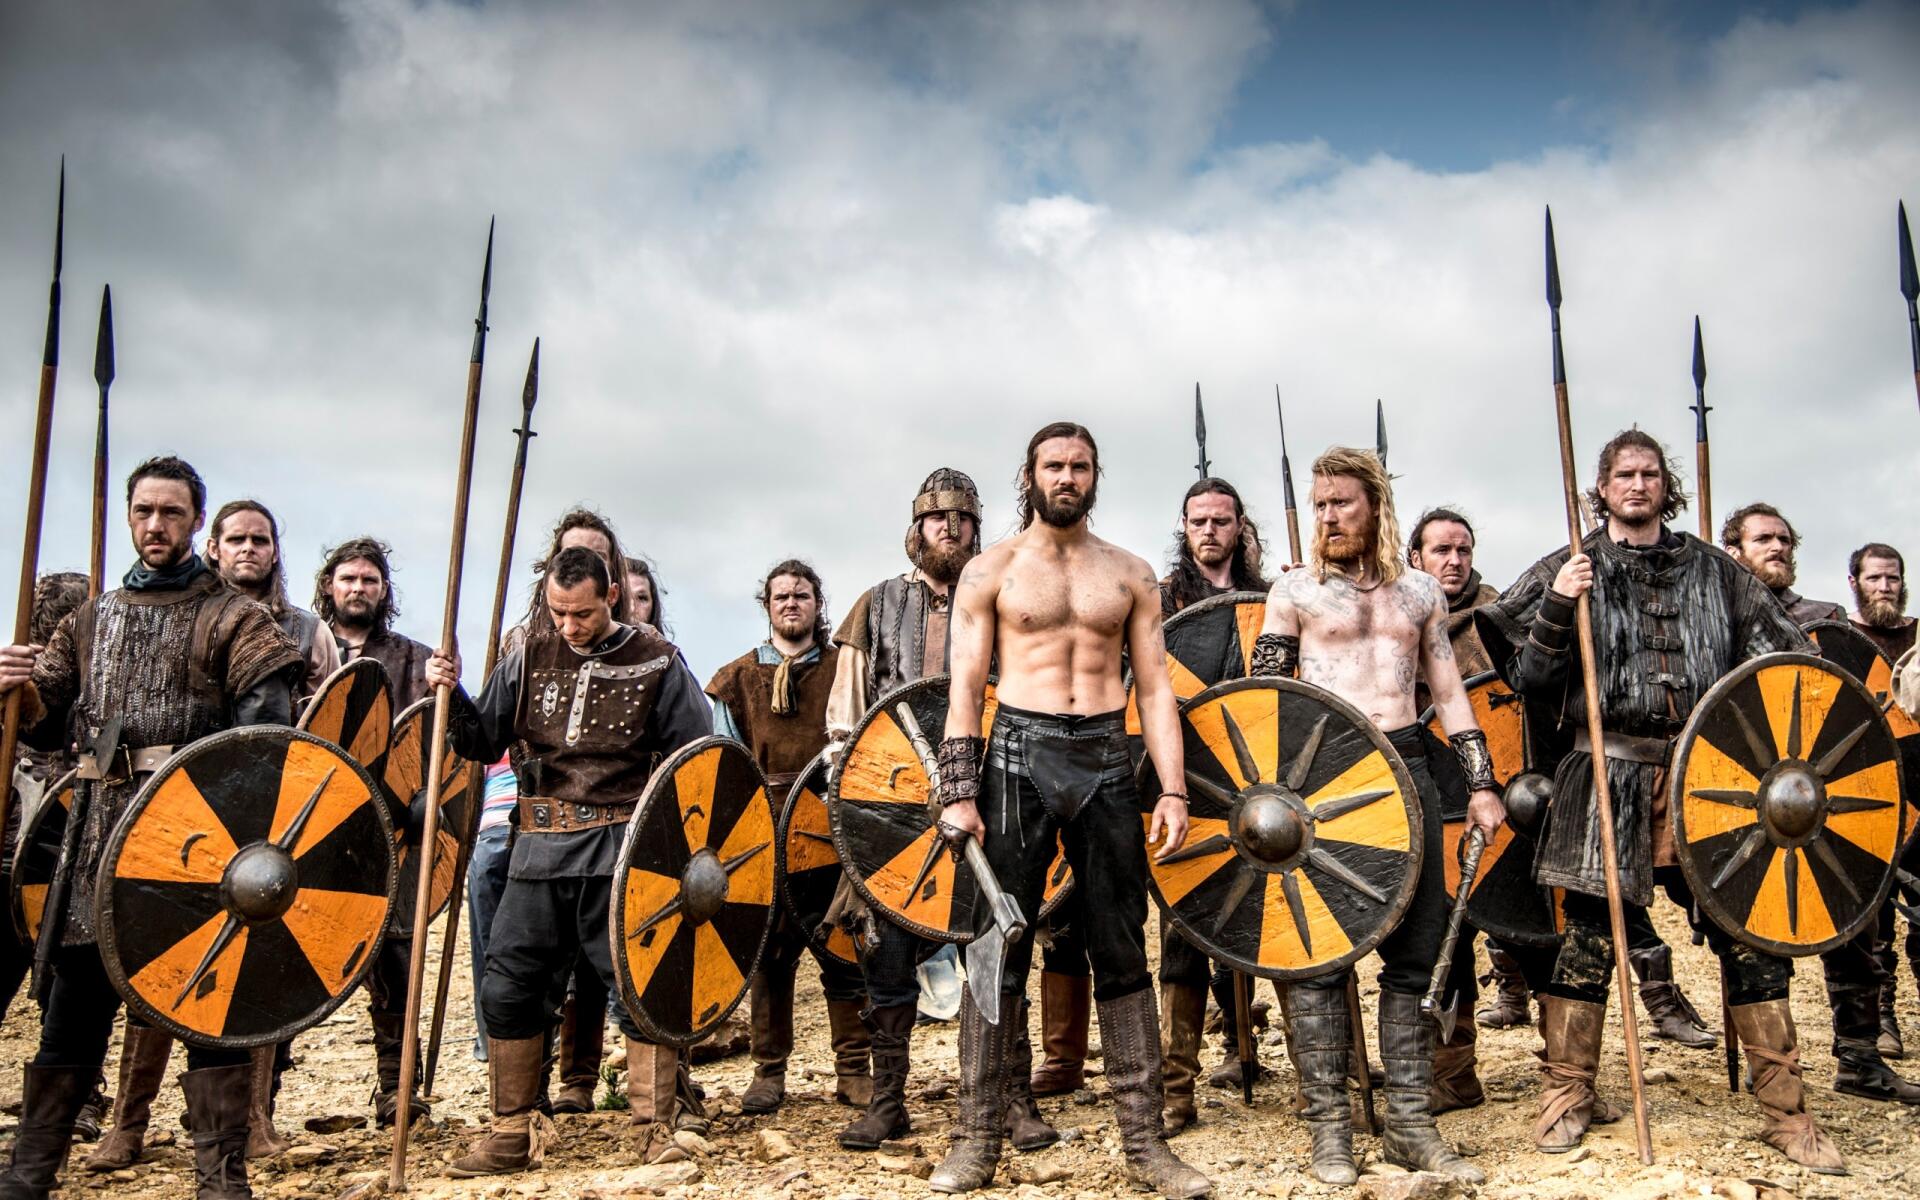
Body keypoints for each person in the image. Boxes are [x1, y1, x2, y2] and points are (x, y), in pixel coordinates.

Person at [1476, 429, 1843, 1172]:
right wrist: (1559, 603)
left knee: (1745, 931)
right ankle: (1567, 1091)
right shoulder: (1567, 565)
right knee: (1587, 936)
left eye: (1649, 473)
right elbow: (1528, 680)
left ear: (1664, 485)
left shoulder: (1719, 571)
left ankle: (1786, 1110)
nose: (1638, 484)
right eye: (1624, 475)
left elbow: (1787, 663)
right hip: (1605, 772)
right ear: (1603, 488)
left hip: (1706, 778)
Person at [0, 456, 303, 1200]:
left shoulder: (237, 619)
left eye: (171, 512)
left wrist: (220, 824)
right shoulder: (90, 619)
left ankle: (221, 1179)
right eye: (144, 511)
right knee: (74, 1013)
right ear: (129, 517)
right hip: (97, 841)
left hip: (199, 849)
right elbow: (43, 725)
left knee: (210, 1016)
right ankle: (30, 1173)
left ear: (197, 521)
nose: (156, 525)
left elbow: (264, 746)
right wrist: (17, 688)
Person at [932, 423, 1208, 1198]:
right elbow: (965, 688)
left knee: (1120, 944)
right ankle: (976, 1139)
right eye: (1053, 465)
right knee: (997, 945)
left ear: (1095, 476)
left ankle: (1146, 1145)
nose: (1067, 477)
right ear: (1031, 475)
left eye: (1079, 466)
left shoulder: (1129, 573)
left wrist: (1174, 789)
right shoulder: (990, 571)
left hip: (1106, 759)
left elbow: (1155, 689)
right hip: (1017, 756)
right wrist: (959, 791)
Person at [1251, 452, 1496, 1186]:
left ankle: (1411, 1126)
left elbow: (1447, 693)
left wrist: (1482, 783)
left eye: (1342, 504)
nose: (1328, 517)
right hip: (1322, 780)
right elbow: (1264, 697)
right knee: (1322, 954)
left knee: (1418, 948)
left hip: (1409, 766)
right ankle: (1331, 1130)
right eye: (1320, 504)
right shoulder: (1293, 590)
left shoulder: (1420, 592)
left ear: (1376, 505)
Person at [429, 546, 713, 1173]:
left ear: (611, 596)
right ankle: (512, 1131)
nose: (569, 626)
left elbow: (696, 763)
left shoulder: (658, 661)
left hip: (621, 853)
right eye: (558, 613)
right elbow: (482, 740)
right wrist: (452, 693)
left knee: (640, 986)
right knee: (509, 984)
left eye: (581, 613)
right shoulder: (529, 656)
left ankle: (653, 1128)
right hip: (538, 849)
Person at [822, 469, 1056, 1154]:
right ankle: (888, 1101)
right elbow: (848, 714)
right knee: (885, 945)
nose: (949, 530)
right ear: (916, 528)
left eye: (962, 519)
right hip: (890, 800)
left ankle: (1010, 1098)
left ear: (977, 529)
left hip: (992, 786)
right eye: (936, 519)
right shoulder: (876, 604)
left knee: (996, 938)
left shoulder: (1008, 595)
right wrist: (851, 786)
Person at [1720, 504, 1920, 1104]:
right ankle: (1771, 1064)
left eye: (1785, 539)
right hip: (1746, 797)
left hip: (1825, 793)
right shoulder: (1717, 621)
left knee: (1854, 926)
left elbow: (1861, 713)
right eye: (1763, 539)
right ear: (1734, 550)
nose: (1778, 547)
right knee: (1758, 935)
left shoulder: (1826, 621)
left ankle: (1860, 1060)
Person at [707, 560, 870, 1115]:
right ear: (767, 606)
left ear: (818, 604)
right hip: (765, 835)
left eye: (801, 595)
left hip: (833, 832)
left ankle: (854, 1070)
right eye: (781, 597)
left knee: (844, 950)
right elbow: (726, 768)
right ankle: (768, 1073)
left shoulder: (844, 670)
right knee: (770, 959)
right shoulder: (736, 679)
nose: (791, 604)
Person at [1152, 478, 1270, 1131]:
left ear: (1239, 526)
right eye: (1198, 520)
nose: (1209, 530)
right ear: (1184, 524)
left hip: (1271, 785)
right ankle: (1176, 1088)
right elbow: (1146, 694)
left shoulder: (1270, 600)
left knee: (1280, 924)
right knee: (1184, 931)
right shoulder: (1162, 602)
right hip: (1189, 786)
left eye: (1221, 520)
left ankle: (1318, 1077)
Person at [314, 536, 434, 1126]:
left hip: (388, 833)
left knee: (395, 959)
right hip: (311, 830)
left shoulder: (414, 659)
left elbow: (433, 745)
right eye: (348, 579)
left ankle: (398, 1088)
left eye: (369, 580)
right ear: (329, 586)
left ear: (384, 590)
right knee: (285, 950)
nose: (358, 588)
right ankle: (259, 1103)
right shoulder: (302, 649)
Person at [207, 499, 340, 701]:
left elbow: (331, 712)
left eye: (259, 540)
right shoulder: (189, 622)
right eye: (236, 539)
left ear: (275, 552)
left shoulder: (312, 632)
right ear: (214, 549)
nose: (248, 548)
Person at [1849, 542, 1914, 663]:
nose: (1884, 588)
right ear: (1854, 583)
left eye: (1892, 578)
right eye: (1874, 578)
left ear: (1902, 582)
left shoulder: (1918, 635)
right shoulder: (1838, 633)